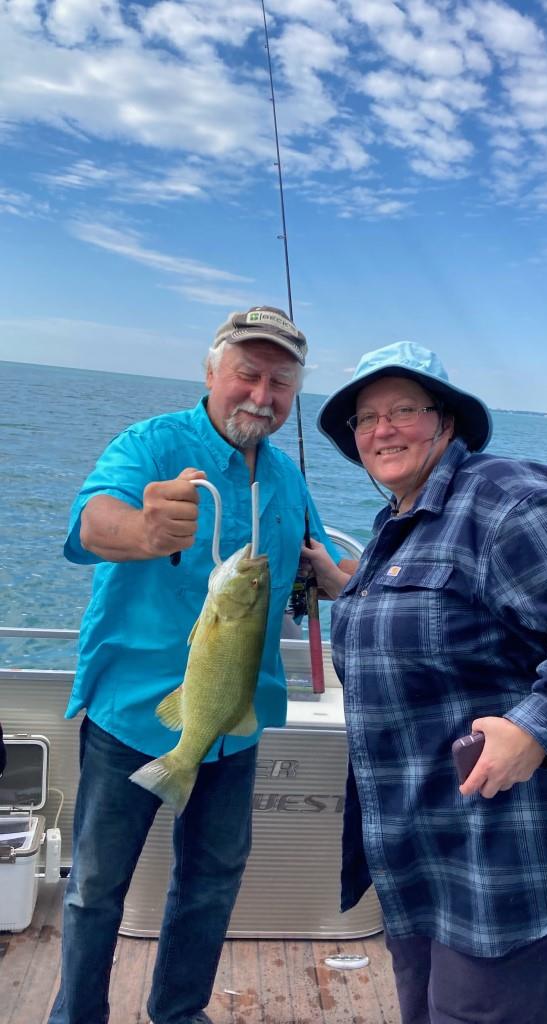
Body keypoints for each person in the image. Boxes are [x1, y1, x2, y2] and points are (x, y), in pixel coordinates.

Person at [304, 341, 547, 1024]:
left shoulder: (511, 500)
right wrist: (344, 586)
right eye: (365, 418)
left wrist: (535, 725)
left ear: (447, 422)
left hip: (521, 851)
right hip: (430, 844)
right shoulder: (396, 523)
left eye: (403, 410)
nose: (382, 430)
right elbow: (446, 613)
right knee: (426, 1007)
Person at [49, 306, 343, 1024]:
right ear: (211, 371)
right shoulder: (150, 446)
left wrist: (326, 581)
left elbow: (308, 568)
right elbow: (90, 526)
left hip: (235, 724)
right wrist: (144, 528)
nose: (261, 396)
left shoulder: (286, 479)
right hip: (131, 714)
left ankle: (177, 1012)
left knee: (212, 882)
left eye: (280, 382)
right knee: (94, 887)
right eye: (247, 373)